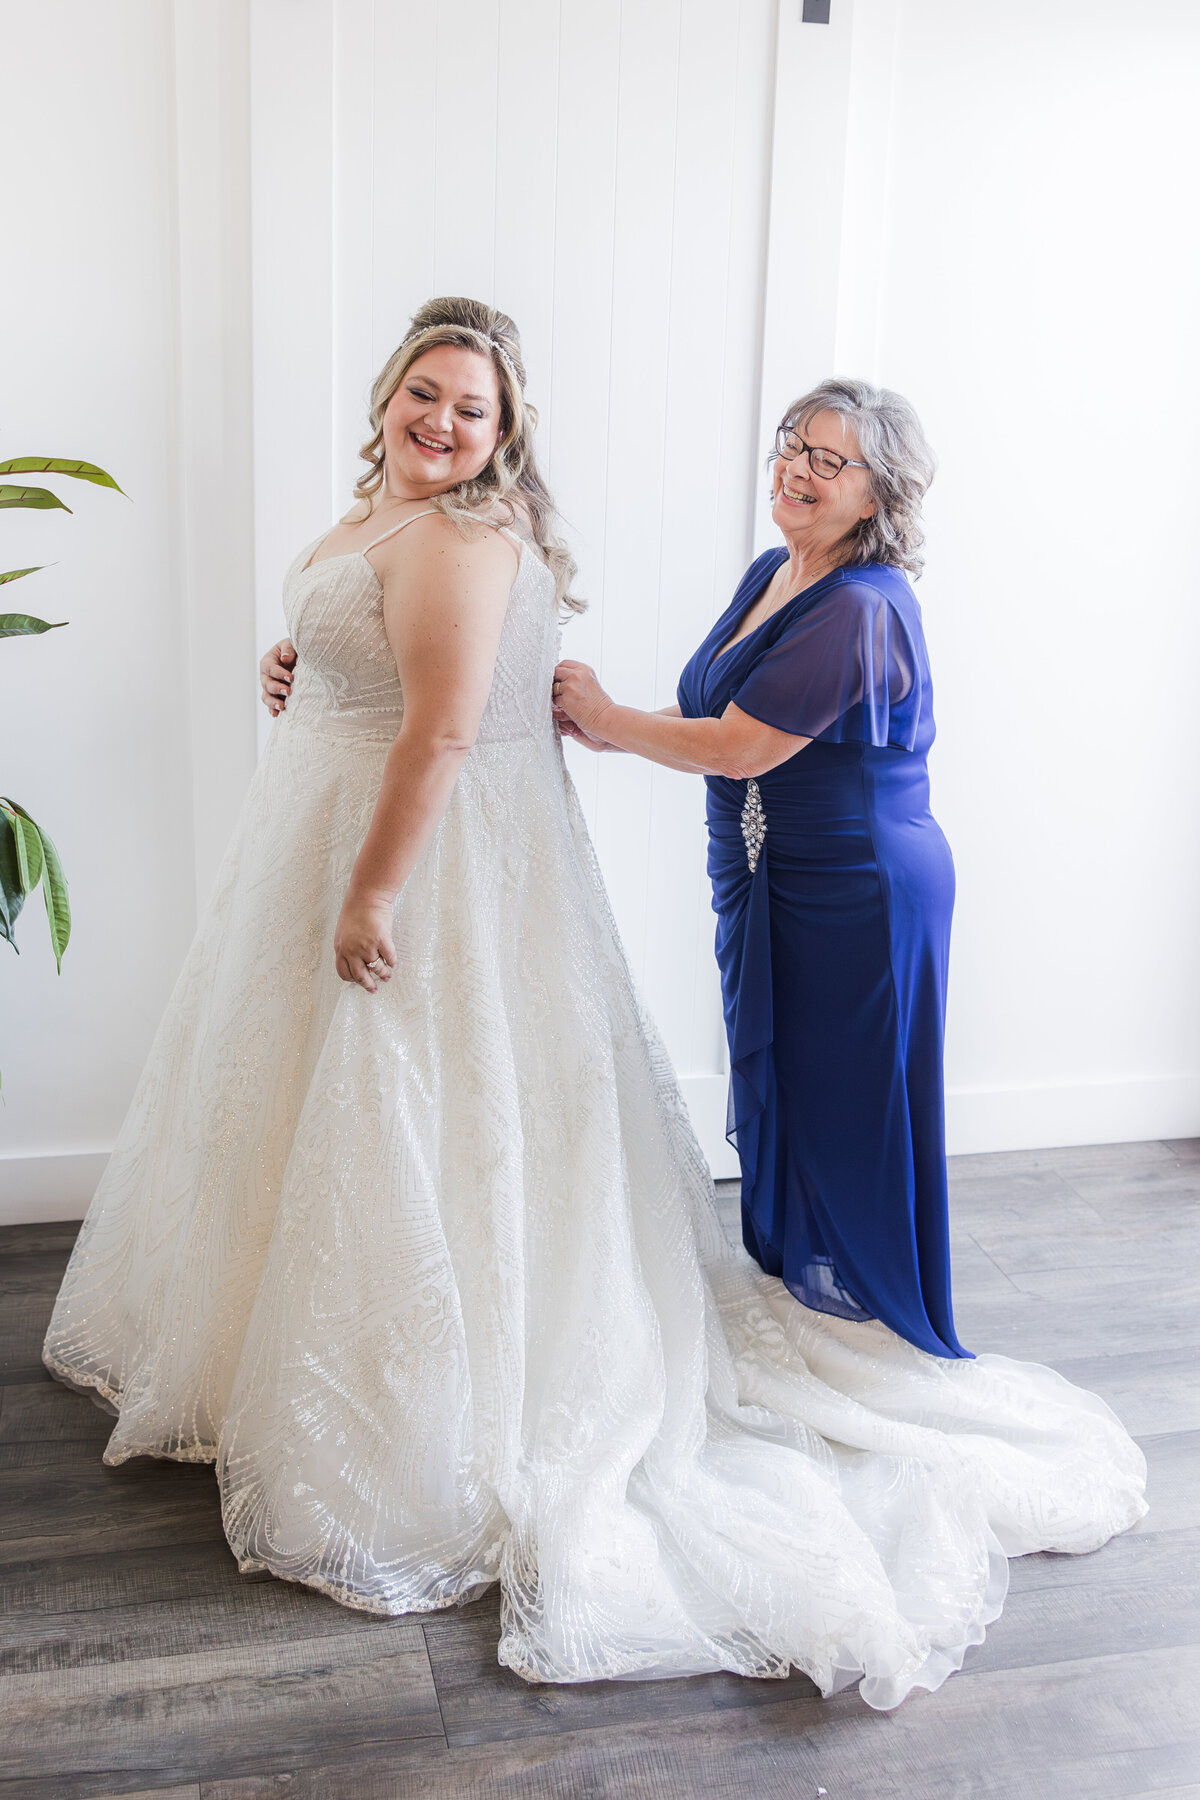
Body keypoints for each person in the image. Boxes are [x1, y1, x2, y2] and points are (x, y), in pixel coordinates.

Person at [47, 316, 1145, 1709]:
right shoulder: (711, 562)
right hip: (750, 864)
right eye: (424, 395)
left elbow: (495, 730)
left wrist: (396, 878)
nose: (444, 422)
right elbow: (392, 661)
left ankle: (874, 1304)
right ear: (385, 401)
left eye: (473, 408)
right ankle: (816, 1271)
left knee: (819, 1098)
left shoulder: (803, 597)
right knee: (771, 1097)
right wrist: (309, 669)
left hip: (840, 876)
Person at [553, 380, 960, 1357]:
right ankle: (805, 1294)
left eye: (830, 459)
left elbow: (740, 748)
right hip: (771, 873)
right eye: (792, 444)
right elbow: (716, 715)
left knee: (845, 1099)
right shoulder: (775, 572)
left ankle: (866, 1317)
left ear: (880, 494)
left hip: (856, 886)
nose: (797, 468)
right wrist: (608, 727)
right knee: (786, 1077)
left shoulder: (862, 606)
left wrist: (608, 723)